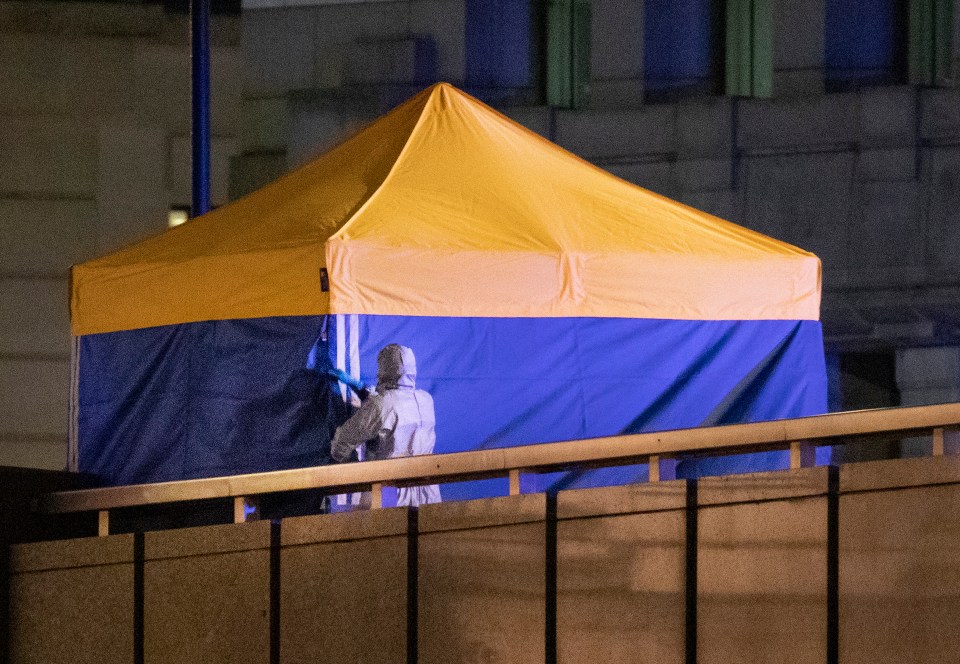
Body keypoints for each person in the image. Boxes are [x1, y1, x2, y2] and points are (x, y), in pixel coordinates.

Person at [328, 344, 441, 506]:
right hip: (427, 492)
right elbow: (393, 405)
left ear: (384, 369)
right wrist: (361, 388)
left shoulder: (381, 405)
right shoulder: (426, 400)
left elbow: (344, 439)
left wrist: (338, 464)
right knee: (426, 530)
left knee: (388, 528)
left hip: (390, 491)